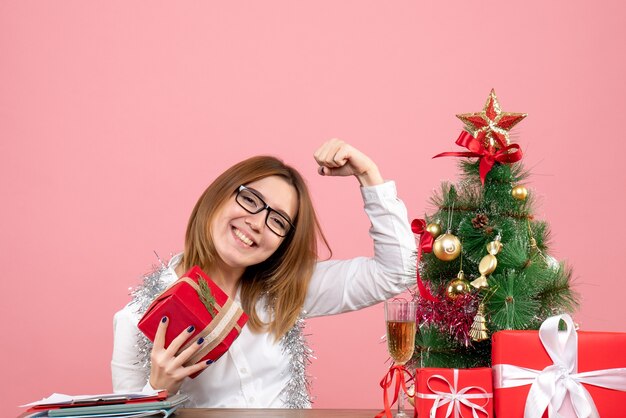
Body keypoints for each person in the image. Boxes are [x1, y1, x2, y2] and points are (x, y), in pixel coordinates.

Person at [111, 139, 416, 408]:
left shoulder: (286, 290)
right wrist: (158, 389)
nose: (257, 222)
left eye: (278, 221)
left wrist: (368, 175)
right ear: (218, 196)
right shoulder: (138, 317)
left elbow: (395, 272)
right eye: (250, 200)